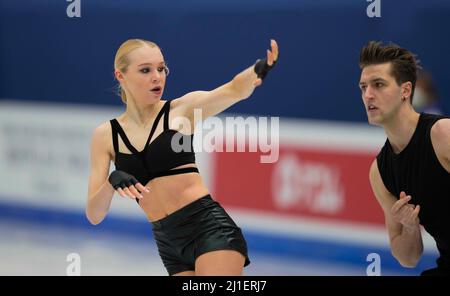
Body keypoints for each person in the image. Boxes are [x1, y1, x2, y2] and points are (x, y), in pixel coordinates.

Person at [86, 38, 279, 276]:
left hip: (209, 230)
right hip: (168, 244)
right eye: (145, 70)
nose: (157, 76)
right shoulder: (106, 135)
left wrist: (257, 70)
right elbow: (94, 215)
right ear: (121, 76)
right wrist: (110, 182)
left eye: (161, 68)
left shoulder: (183, 110)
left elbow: (233, 90)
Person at [359, 41, 450, 276]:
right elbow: (408, 258)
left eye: (378, 84)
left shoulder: (442, 134)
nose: (368, 95)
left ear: (405, 90)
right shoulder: (379, 171)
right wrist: (409, 227)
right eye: (363, 87)